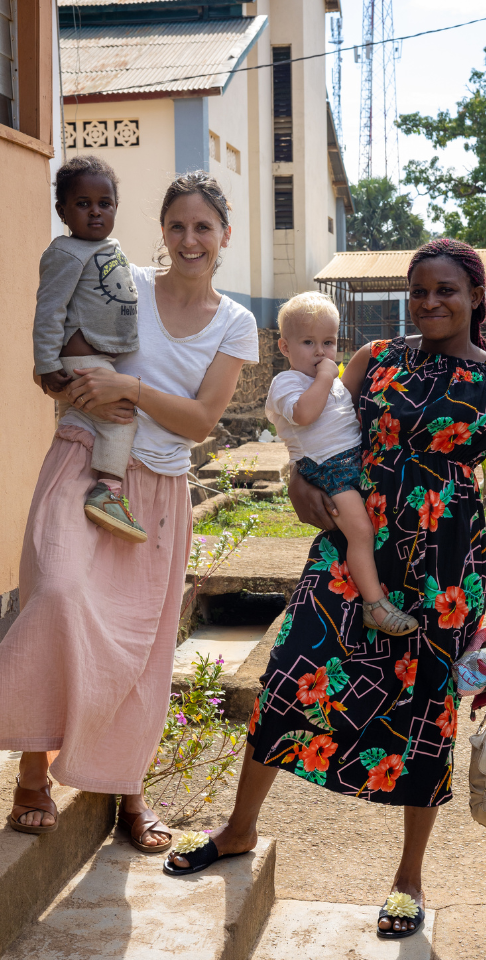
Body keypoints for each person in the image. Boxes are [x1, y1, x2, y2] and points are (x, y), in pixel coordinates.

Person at [163, 239, 486, 942]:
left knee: (426, 714)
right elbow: (318, 436)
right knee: (290, 676)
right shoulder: (376, 360)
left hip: (442, 574)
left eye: (446, 291)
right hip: (349, 548)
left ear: (476, 297)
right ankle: (240, 829)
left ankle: (408, 878)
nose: (430, 302)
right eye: (420, 290)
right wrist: (301, 485)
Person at [0, 171, 259, 853]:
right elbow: (51, 360)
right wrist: (74, 388)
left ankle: (128, 794)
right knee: (55, 594)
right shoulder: (120, 278)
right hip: (84, 460)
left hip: (161, 490)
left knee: (138, 648)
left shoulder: (236, 322)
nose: (189, 239)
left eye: (203, 227)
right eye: (177, 226)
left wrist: (129, 387)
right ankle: (33, 774)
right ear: (162, 232)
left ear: (224, 236)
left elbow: (203, 421)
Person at [266, 291, 418, 636]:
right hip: (327, 469)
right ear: (285, 347)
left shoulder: (332, 382)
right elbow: (304, 414)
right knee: (361, 533)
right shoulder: (286, 383)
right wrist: (324, 378)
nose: (320, 352)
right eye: (308, 342)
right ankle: (375, 605)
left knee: (375, 526)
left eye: (328, 341)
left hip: (353, 461)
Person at [34, 155, 146, 543]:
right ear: (62, 211)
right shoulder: (65, 253)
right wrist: (47, 365)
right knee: (121, 418)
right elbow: (49, 311)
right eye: (83, 204)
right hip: (82, 360)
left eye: (105, 203)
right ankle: (108, 492)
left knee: (104, 419)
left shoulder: (111, 246)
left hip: (98, 358)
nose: (95, 212)